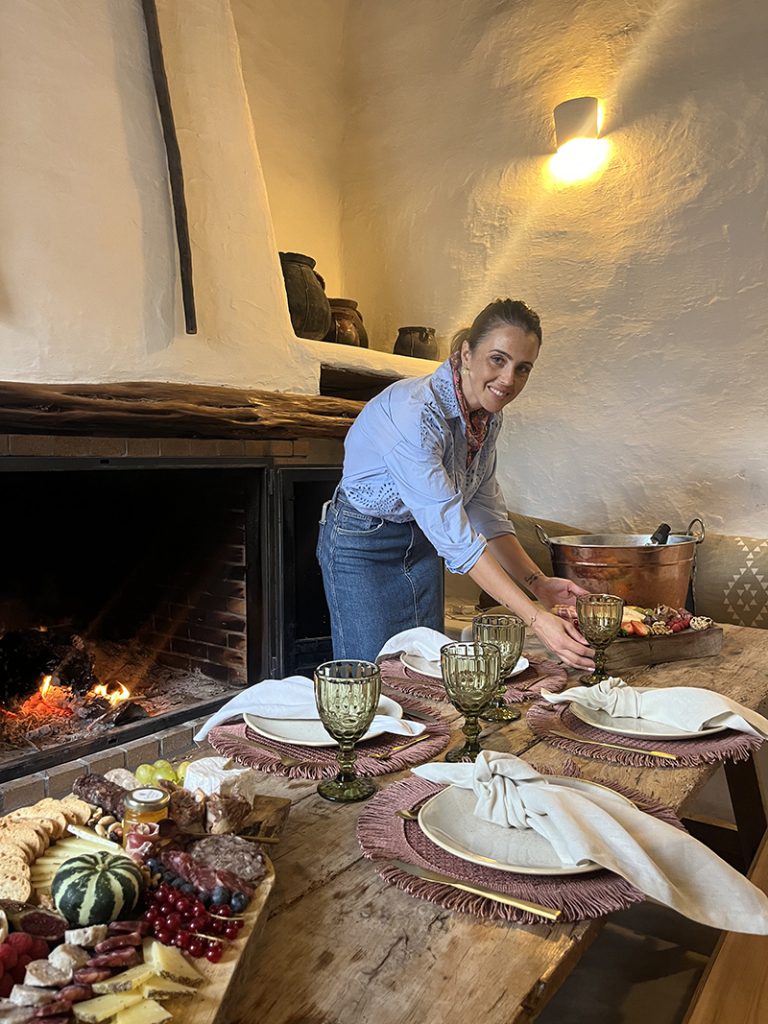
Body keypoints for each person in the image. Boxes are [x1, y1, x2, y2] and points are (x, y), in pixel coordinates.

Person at [316, 298, 595, 669]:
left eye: (523, 368)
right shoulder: (415, 413)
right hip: (363, 544)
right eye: (497, 359)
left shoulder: (486, 418)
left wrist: (539, 584)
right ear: (466, 353)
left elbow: (486, 514)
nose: (508, 380)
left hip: (421, 542)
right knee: (371, 677)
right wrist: (536, 619)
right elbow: (457, 538)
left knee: (423, 671)